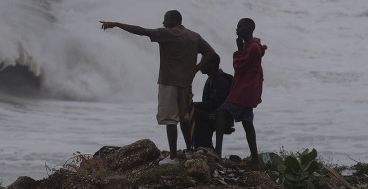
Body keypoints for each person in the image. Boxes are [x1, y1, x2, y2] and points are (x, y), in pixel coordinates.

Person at [100, 10, 216, 165]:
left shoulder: (167, 34)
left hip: (168, 82)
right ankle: (189, 151)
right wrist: (195, 68)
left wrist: (118, 24)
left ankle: (174, 157)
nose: (163, 23)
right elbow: (211, 53)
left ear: (173, 20)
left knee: (170, 119)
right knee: (184, 118)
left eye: (165, 20)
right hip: (186, 83)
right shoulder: (194, 36)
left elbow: (141, 31)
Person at [215, 18, 266, 165]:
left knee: (221, 113)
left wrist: (238, 50)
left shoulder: (252, 48)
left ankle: (218, 153)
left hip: (245, 90)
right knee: (247, 122)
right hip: (249, 90)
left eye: (240, 26)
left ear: (249, 29)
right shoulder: (251, 46)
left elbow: (240, 66)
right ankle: (255, 159)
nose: (237, 29)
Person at [180, 54, 234, 150]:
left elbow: (215, 104)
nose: (200, 65)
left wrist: (192, 105)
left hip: (220, 118)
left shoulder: (220, 80)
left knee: (191, 111)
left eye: (203, 62)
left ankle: (202, 148)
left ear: (212, 64)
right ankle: (200, 147)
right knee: (189, 110)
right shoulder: (211, 78)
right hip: (212, 115)